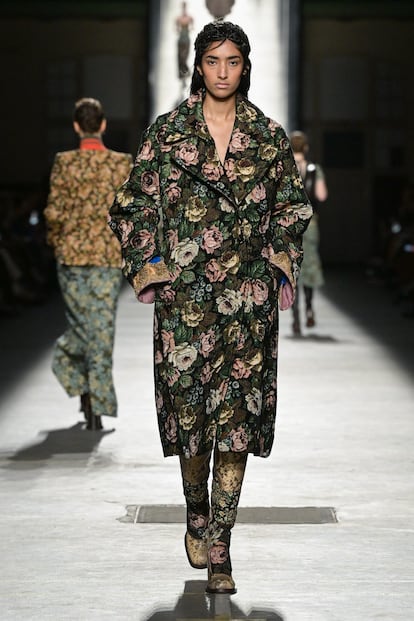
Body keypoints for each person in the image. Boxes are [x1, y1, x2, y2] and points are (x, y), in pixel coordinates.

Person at [108, 22, 312, 594]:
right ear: (198, 66)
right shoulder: (168, 133)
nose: (223, 72)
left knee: (237, 426)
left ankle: (221, 548)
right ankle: (196, 511)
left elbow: (292, 209)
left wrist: (278, 263)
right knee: (193, 424)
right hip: (186, 305)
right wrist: (152, 268)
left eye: (233, 61)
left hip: (248, 305)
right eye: (214, 61)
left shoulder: (267, 138)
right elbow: (132, 205)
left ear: (246, 67)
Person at [44, 98, 132, 430]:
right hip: (107, 257)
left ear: (76, 126)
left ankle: (83, 387)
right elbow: (128, 212)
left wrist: (56, 241)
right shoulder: (121, 163)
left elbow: (54, 211)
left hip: (71, 256)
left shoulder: (64, 163)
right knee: (101, 328)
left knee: (81, 325)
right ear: (103, 125)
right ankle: (96, 401)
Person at [289, 131, 328, 335]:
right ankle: (310, 309)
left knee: (292, 268)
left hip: (289, 223)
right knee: (309, 264)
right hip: (310, 222)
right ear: (305, 147)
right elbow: (321, 195)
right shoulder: (314, 169)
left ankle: (295, 318)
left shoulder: (285, 167)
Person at [176, 1, 194, 80]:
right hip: (181, 39)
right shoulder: (179, 18)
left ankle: (185, 71)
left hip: (186, 39)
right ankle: (183, 73)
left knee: (184, 57)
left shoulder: (189, 18)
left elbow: (192, 26)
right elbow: (176, 28)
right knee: (180, 57)